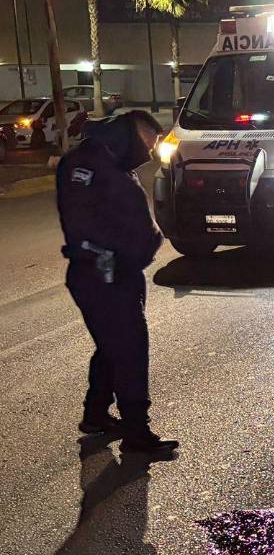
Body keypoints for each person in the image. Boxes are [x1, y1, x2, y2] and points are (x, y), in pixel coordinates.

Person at [57, 110, 178, 456]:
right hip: (101, 274)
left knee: (113, 346)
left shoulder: (114, 163)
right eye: (150, 143)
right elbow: (83, 224)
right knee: (130, 350)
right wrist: (112, 253)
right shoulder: (87, 165)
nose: (150, 152)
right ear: (133, 134)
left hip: (120, 272)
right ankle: (137, 433)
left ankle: (95, 414)